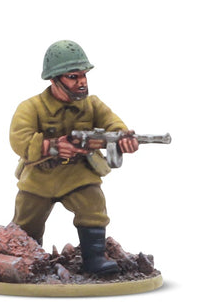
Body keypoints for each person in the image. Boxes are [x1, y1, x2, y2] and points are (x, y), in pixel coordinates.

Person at [9, 40, 139, 274]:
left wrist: (123, 138)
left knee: (93, 208)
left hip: (79, 174)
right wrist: (52, 146)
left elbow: (112, 123)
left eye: (83, 75)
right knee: (26, 222)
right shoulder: (31, 107)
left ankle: (95, 259)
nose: (82, 82)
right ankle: (28, 262)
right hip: (39, 177)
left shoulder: (93, 105)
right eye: (73, 77)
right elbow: (19, 139)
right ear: (54, 79)